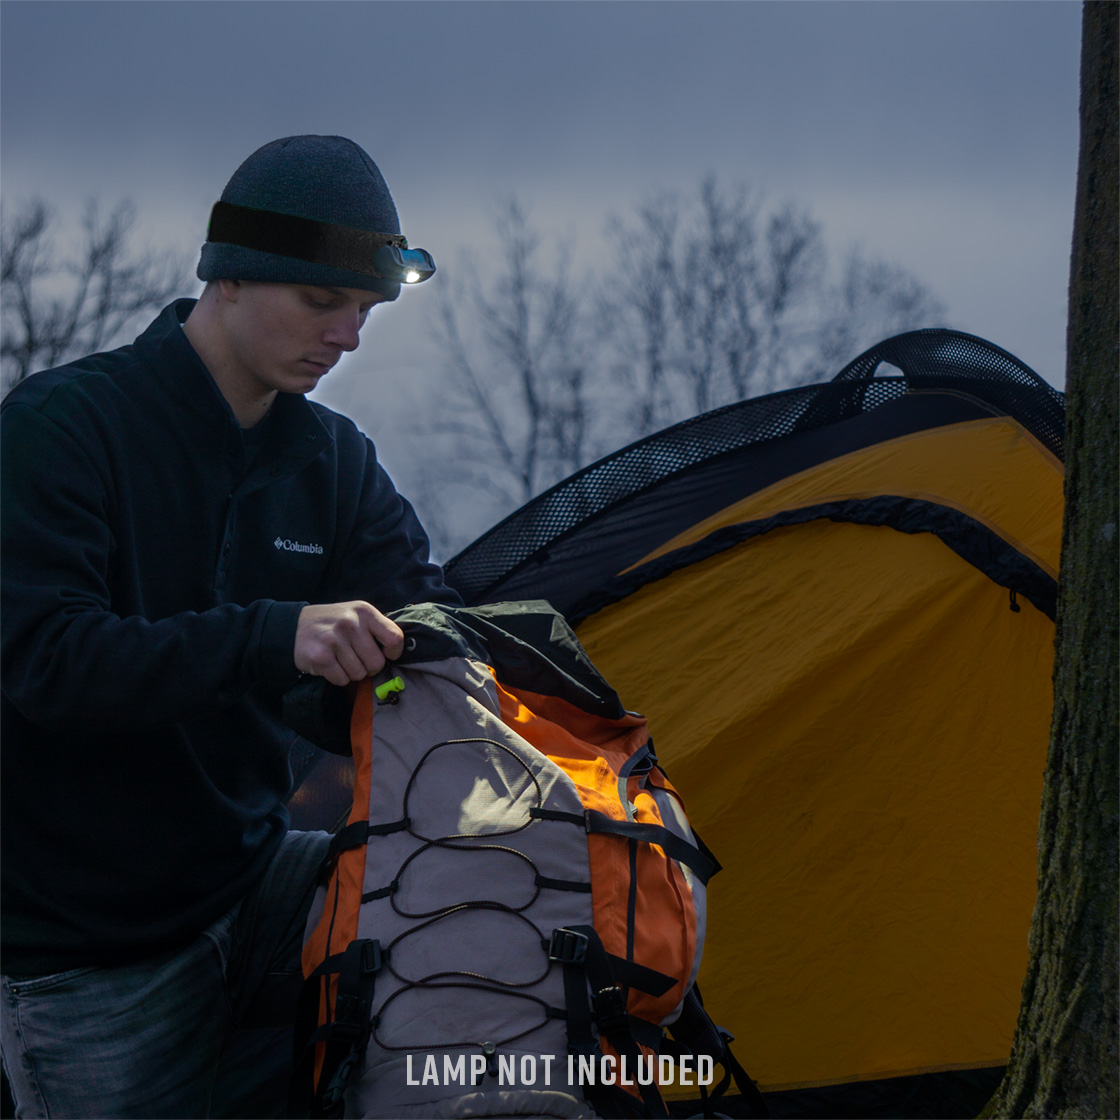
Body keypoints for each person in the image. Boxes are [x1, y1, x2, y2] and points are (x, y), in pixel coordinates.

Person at [0, 135, 463, 1119]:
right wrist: (272, 635)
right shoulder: (60, 429)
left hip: (253, 885)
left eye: (365, 312)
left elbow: (430, 623)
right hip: (91, 945)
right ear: (230, 280)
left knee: (470, 907)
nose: (347, 335)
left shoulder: (332, 461)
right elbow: (46, 664)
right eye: (322, 302)